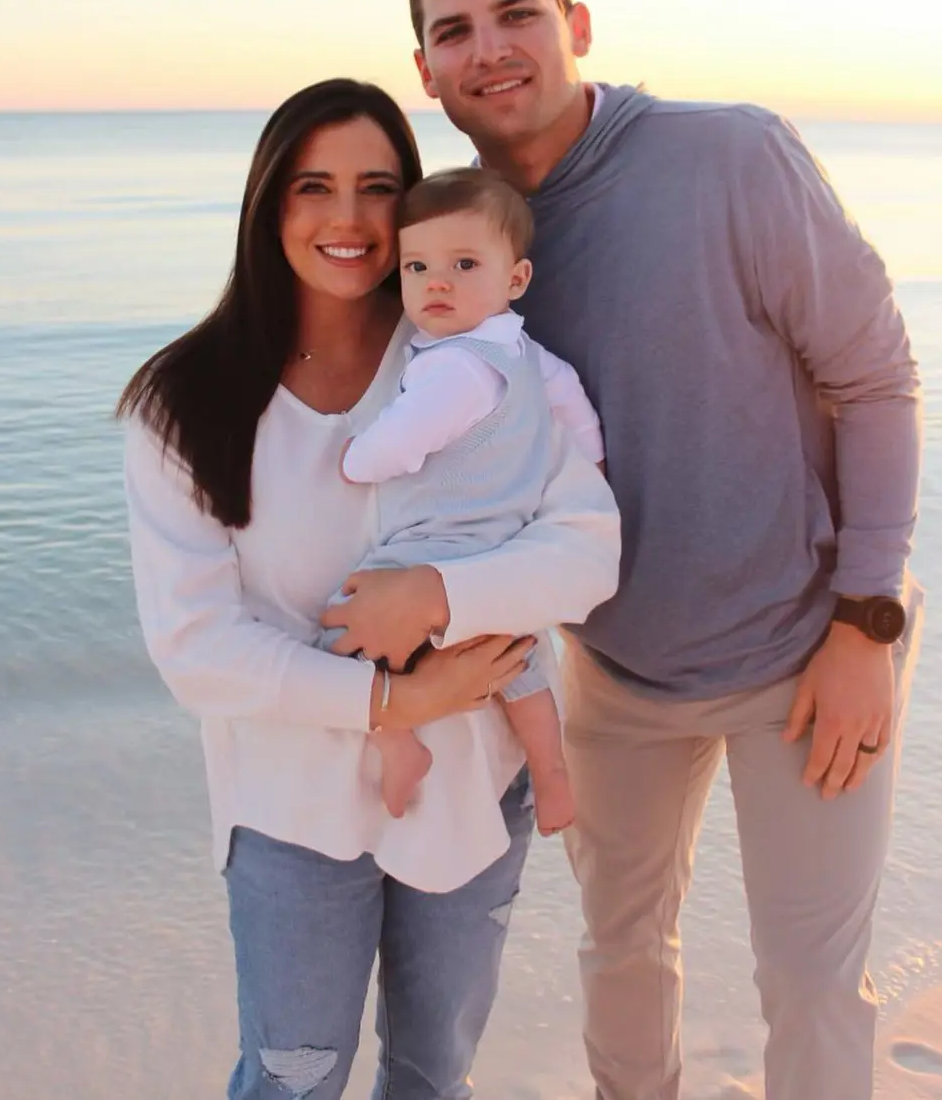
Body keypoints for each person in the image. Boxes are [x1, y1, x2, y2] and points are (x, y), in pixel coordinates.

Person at [406, 0, 924, 1100]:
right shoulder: (464, 245)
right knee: (621, 956)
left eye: (515, 13)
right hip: (615, 673)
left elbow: (874, 377)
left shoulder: (730, 157)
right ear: (426, 75)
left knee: (806, 980)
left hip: (809, 650)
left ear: (575, 25)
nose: (489, 49)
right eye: (454, 32)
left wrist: (866, 620)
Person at [118, 77, 620, 1100]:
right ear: (269, 204)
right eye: (312, 186)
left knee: (432, 1076)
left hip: (473, 787)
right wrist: (393, 697)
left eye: (376, 187)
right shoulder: (187, 398)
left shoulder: (474, 360)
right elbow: (196, 647)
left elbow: (587, 550)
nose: (346, 219)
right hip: (289, 804)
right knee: (293, 1078)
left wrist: (433, 593)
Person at [322, 165, 606, 835]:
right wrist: (582, 474)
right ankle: (550, 769)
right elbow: (581, 425)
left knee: (345, 629)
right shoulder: (533, 358)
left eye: (463, 263)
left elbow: (399, 444)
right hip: (506, 543)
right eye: (416, 266)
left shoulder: (451, 366)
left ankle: (399, 744)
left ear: (516, 279)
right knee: (519, 659)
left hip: (431, 546)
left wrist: (355, 458)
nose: (436, 283)